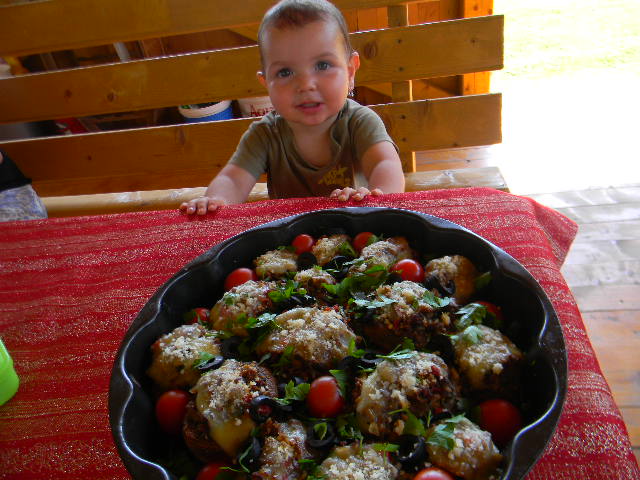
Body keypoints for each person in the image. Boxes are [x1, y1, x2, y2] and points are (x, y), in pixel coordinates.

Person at [180, 0, 405, 215]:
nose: (306, 85)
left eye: (323, 65)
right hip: (290, 241)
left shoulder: (360, 121)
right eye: (285, 72)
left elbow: (384, 164)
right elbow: (233, 179)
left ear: (350, 71)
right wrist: (216, 200)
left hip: (356, 228)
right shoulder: (265, 134)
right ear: (266, 83)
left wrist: (377, 197)